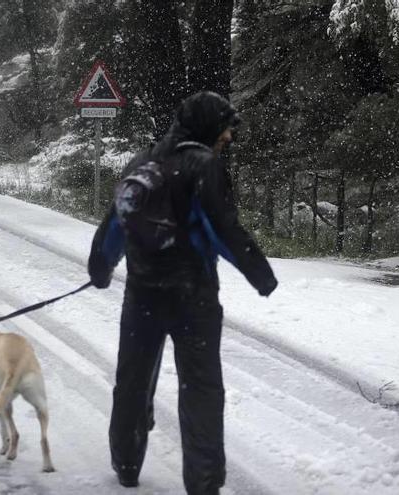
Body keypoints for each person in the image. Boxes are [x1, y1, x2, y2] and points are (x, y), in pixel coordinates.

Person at [88, 91, 278, 493]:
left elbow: (116, 222)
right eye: (226, 127)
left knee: (133, 381)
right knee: (202, 391)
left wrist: (101, 268)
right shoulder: (204, 166)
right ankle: (204, 484)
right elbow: (222, 229)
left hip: (141, 296)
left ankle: (125, 462)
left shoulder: (143, 161)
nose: (228, 135)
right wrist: (260, 275)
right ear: (209, 126)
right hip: (194, 299)